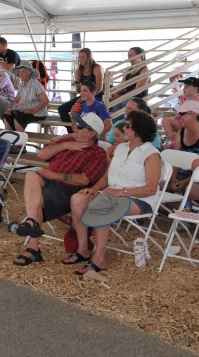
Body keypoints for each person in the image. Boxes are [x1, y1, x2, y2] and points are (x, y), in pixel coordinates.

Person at [68, 111, 162, 275]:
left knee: (102, 204)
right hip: (112, 194)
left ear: (138, 130)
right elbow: (106, 176)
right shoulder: (121, 149)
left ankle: (99, 258)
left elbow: (151, 189)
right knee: (77, 199)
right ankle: (83, 249)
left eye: (127, 126)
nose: (123, 128)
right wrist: (94, 189)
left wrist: (121, 192)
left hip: (140, 199)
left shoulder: (151, 154)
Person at [13, 113, 108, 266]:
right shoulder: (68, 140)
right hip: (47, 182)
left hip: (66, 190)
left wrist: (52, 174)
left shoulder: (97, 153)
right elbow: (41, 154)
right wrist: (64, 145)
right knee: (31, 175)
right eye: (76, 124)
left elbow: (83, 180)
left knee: (37, 200)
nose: (75, 127)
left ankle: (33, 248)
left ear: (92, 133)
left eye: (80, 126)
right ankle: (32, 222)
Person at [168, 101, 199, 195]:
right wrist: (173, 177)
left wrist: (186, 182)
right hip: (182, 175)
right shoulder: (181, 132)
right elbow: (176, 159)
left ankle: (187, 208)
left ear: (194, 115)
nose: (179, 116)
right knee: (162, 183)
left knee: (191, 189)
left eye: (182, 113)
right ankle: (177, 208)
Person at [58, 48, 104, 125]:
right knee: (61, 109)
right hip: (84, 96)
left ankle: (81, 131)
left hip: (96, 96)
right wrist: (78, 87)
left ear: (88, 57)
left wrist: (83, 98)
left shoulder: (96, 68)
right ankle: (72, 131)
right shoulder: (79, 70)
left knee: (79, 106)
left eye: (83, 57)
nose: (80, 59)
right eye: (79, 57)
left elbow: (99, 89)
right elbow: (79, 91)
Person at [162, 76, 199, 146]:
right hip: (184, 122)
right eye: (184, 86)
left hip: (196, 125)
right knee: (165, 120)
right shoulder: (183, 98)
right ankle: (174, 141)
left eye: (187, 86)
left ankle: (179, 142)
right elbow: (181, 113)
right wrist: (174, 119)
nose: (184, 88)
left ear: (196, 89)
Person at [3, 63, 49, 132]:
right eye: (19, 72)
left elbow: (45, 101)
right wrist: (10, 109)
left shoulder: (35, 84)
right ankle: (10, 138)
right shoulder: (22, 85)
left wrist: (33, 110)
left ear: (29, 73)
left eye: (23, 72)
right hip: (28, 110)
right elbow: (16, 100)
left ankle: (19, 141)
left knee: (19, 118)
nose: (20, 74)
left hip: (39, 113)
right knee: (7, 116)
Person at [109, 47, 149, 111]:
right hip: (126, 96)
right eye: (128, 56)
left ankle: (117, 121)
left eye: (131, 56)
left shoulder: (145, 70)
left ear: (140, 56)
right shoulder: (128, 70)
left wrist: (120, 97)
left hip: (137, 98)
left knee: (117, 103)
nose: (129, 58)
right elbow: (122, 86)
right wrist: (114, 93)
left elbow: (137, 91)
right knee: (106, 101)